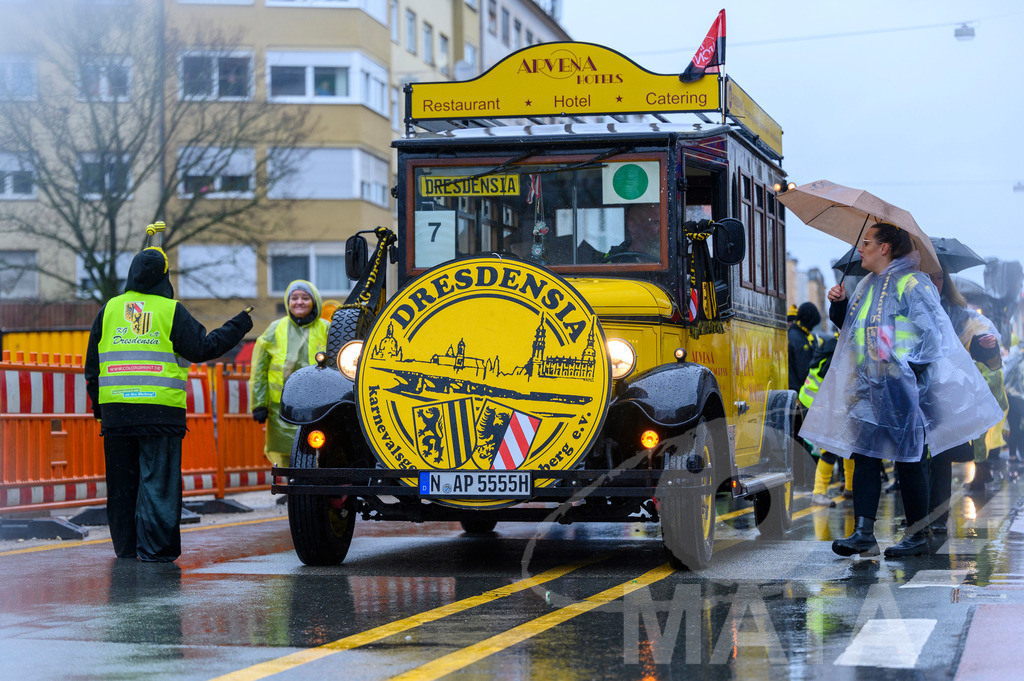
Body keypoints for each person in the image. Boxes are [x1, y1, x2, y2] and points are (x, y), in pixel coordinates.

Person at [800, 222, 1002, 558]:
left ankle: (918, 535)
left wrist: (907, 372)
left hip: (904, 390)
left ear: (885, 248)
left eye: (868, 242)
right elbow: (853, 331)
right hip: (869, 388)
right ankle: (864, 533)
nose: (860, 248)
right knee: (865, 455)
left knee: (908, 460)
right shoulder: (867, 286)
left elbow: (932, 335)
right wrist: (838, 305)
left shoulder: (913, 283)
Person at [85, 246, 253, 562]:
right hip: (159, 412)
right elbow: (204, 348)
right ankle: (155, 549)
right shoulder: (170, 310)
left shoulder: (109, 310)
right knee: (158, 484)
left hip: (117, 415)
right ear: (164, 277)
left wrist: (99, 409)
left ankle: (126, 547)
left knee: (123, 486)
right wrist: (239, 324)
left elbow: (92, 367)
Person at [928, 264, 1002, 529]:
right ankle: (920, 518)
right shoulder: (907, 307)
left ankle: (937, 518)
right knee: (915, 459)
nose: (934, 283)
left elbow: (979, 344)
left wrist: (986, 345)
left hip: (944, 396)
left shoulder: (956, 313)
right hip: (912, 391)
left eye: (939, 278)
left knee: (941, 456)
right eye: (929, 278)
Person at [250, 280, 330, 468]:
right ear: (287, 302)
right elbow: (259, 368)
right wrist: (258, 403)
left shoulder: (326, 328)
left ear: (315, 302)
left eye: (305, 298)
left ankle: (316, 491)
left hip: (320, 406)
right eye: (294, 298)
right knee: (284, 454)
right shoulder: (275, 328)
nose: (299, 302)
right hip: (281, 408)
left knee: (320, 450)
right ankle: (291, 490)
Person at [799, 329, 855, 507]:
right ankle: (818, 493)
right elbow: (833, 379)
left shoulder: (832, 343)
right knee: (829, 449)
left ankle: (850, 489)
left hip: (814, 401)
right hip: (821, 404)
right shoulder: (841, 348)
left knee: (847, 445)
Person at [789, 302, 821, 392]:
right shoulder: (800, 340)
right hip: (798, 391)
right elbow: (804, 371)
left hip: (795, 389)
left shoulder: (797, 335)